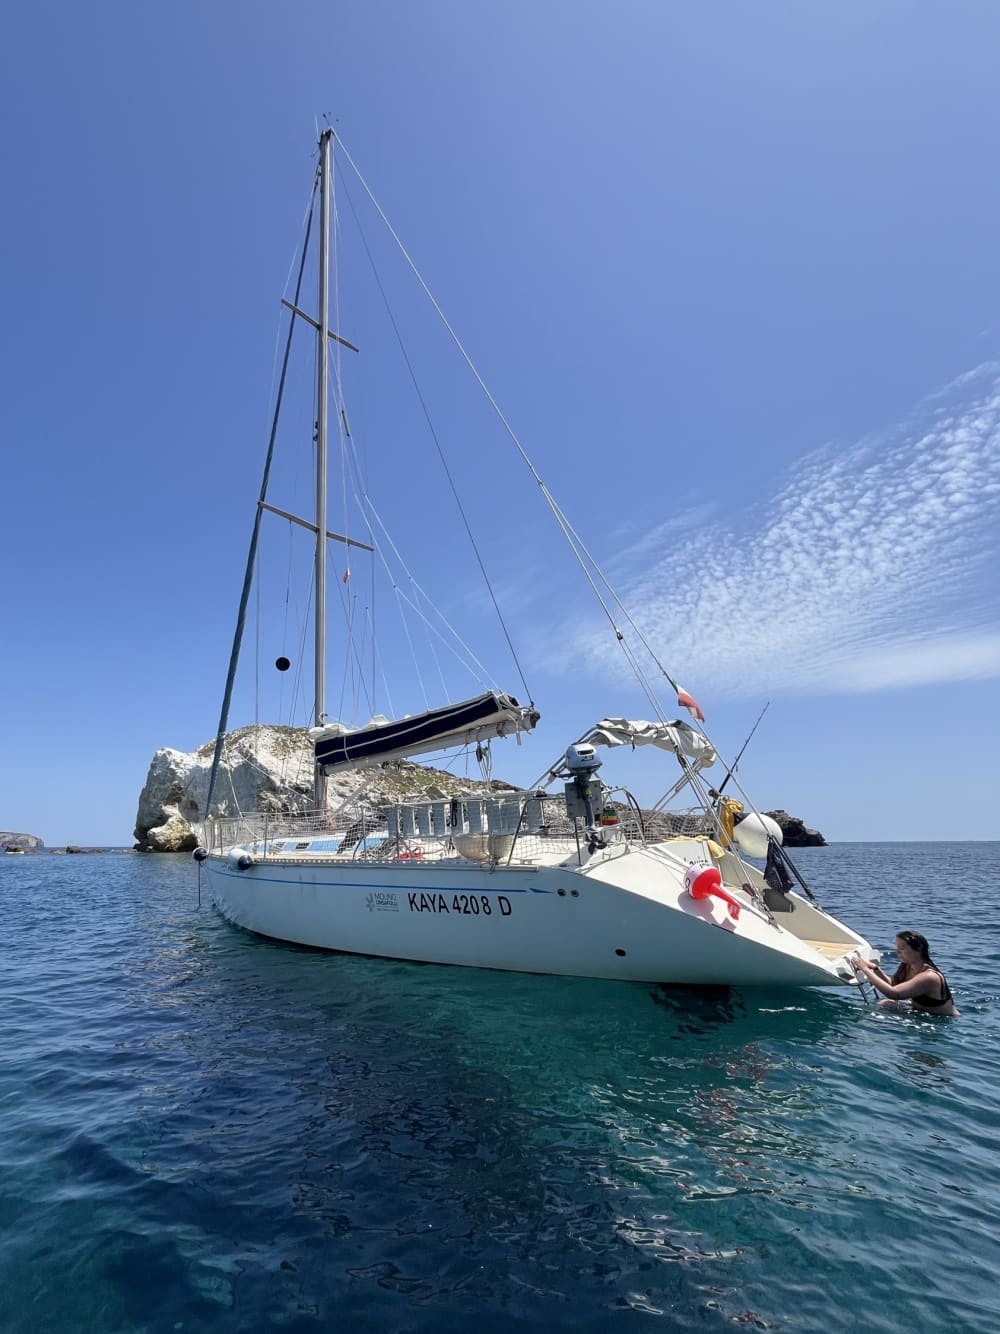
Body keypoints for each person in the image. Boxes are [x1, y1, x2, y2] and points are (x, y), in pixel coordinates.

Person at [851, 931, 959, 1016]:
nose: (897, 952)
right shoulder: (907, 966)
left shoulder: (929, 977)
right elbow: (894, 985)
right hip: (919, 1013)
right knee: (885, 1003)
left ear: (919, 949)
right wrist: (875, 969)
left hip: (941, 1021)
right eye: (897, 948)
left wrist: (865, 969)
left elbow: (893, 993)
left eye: (901, 948)